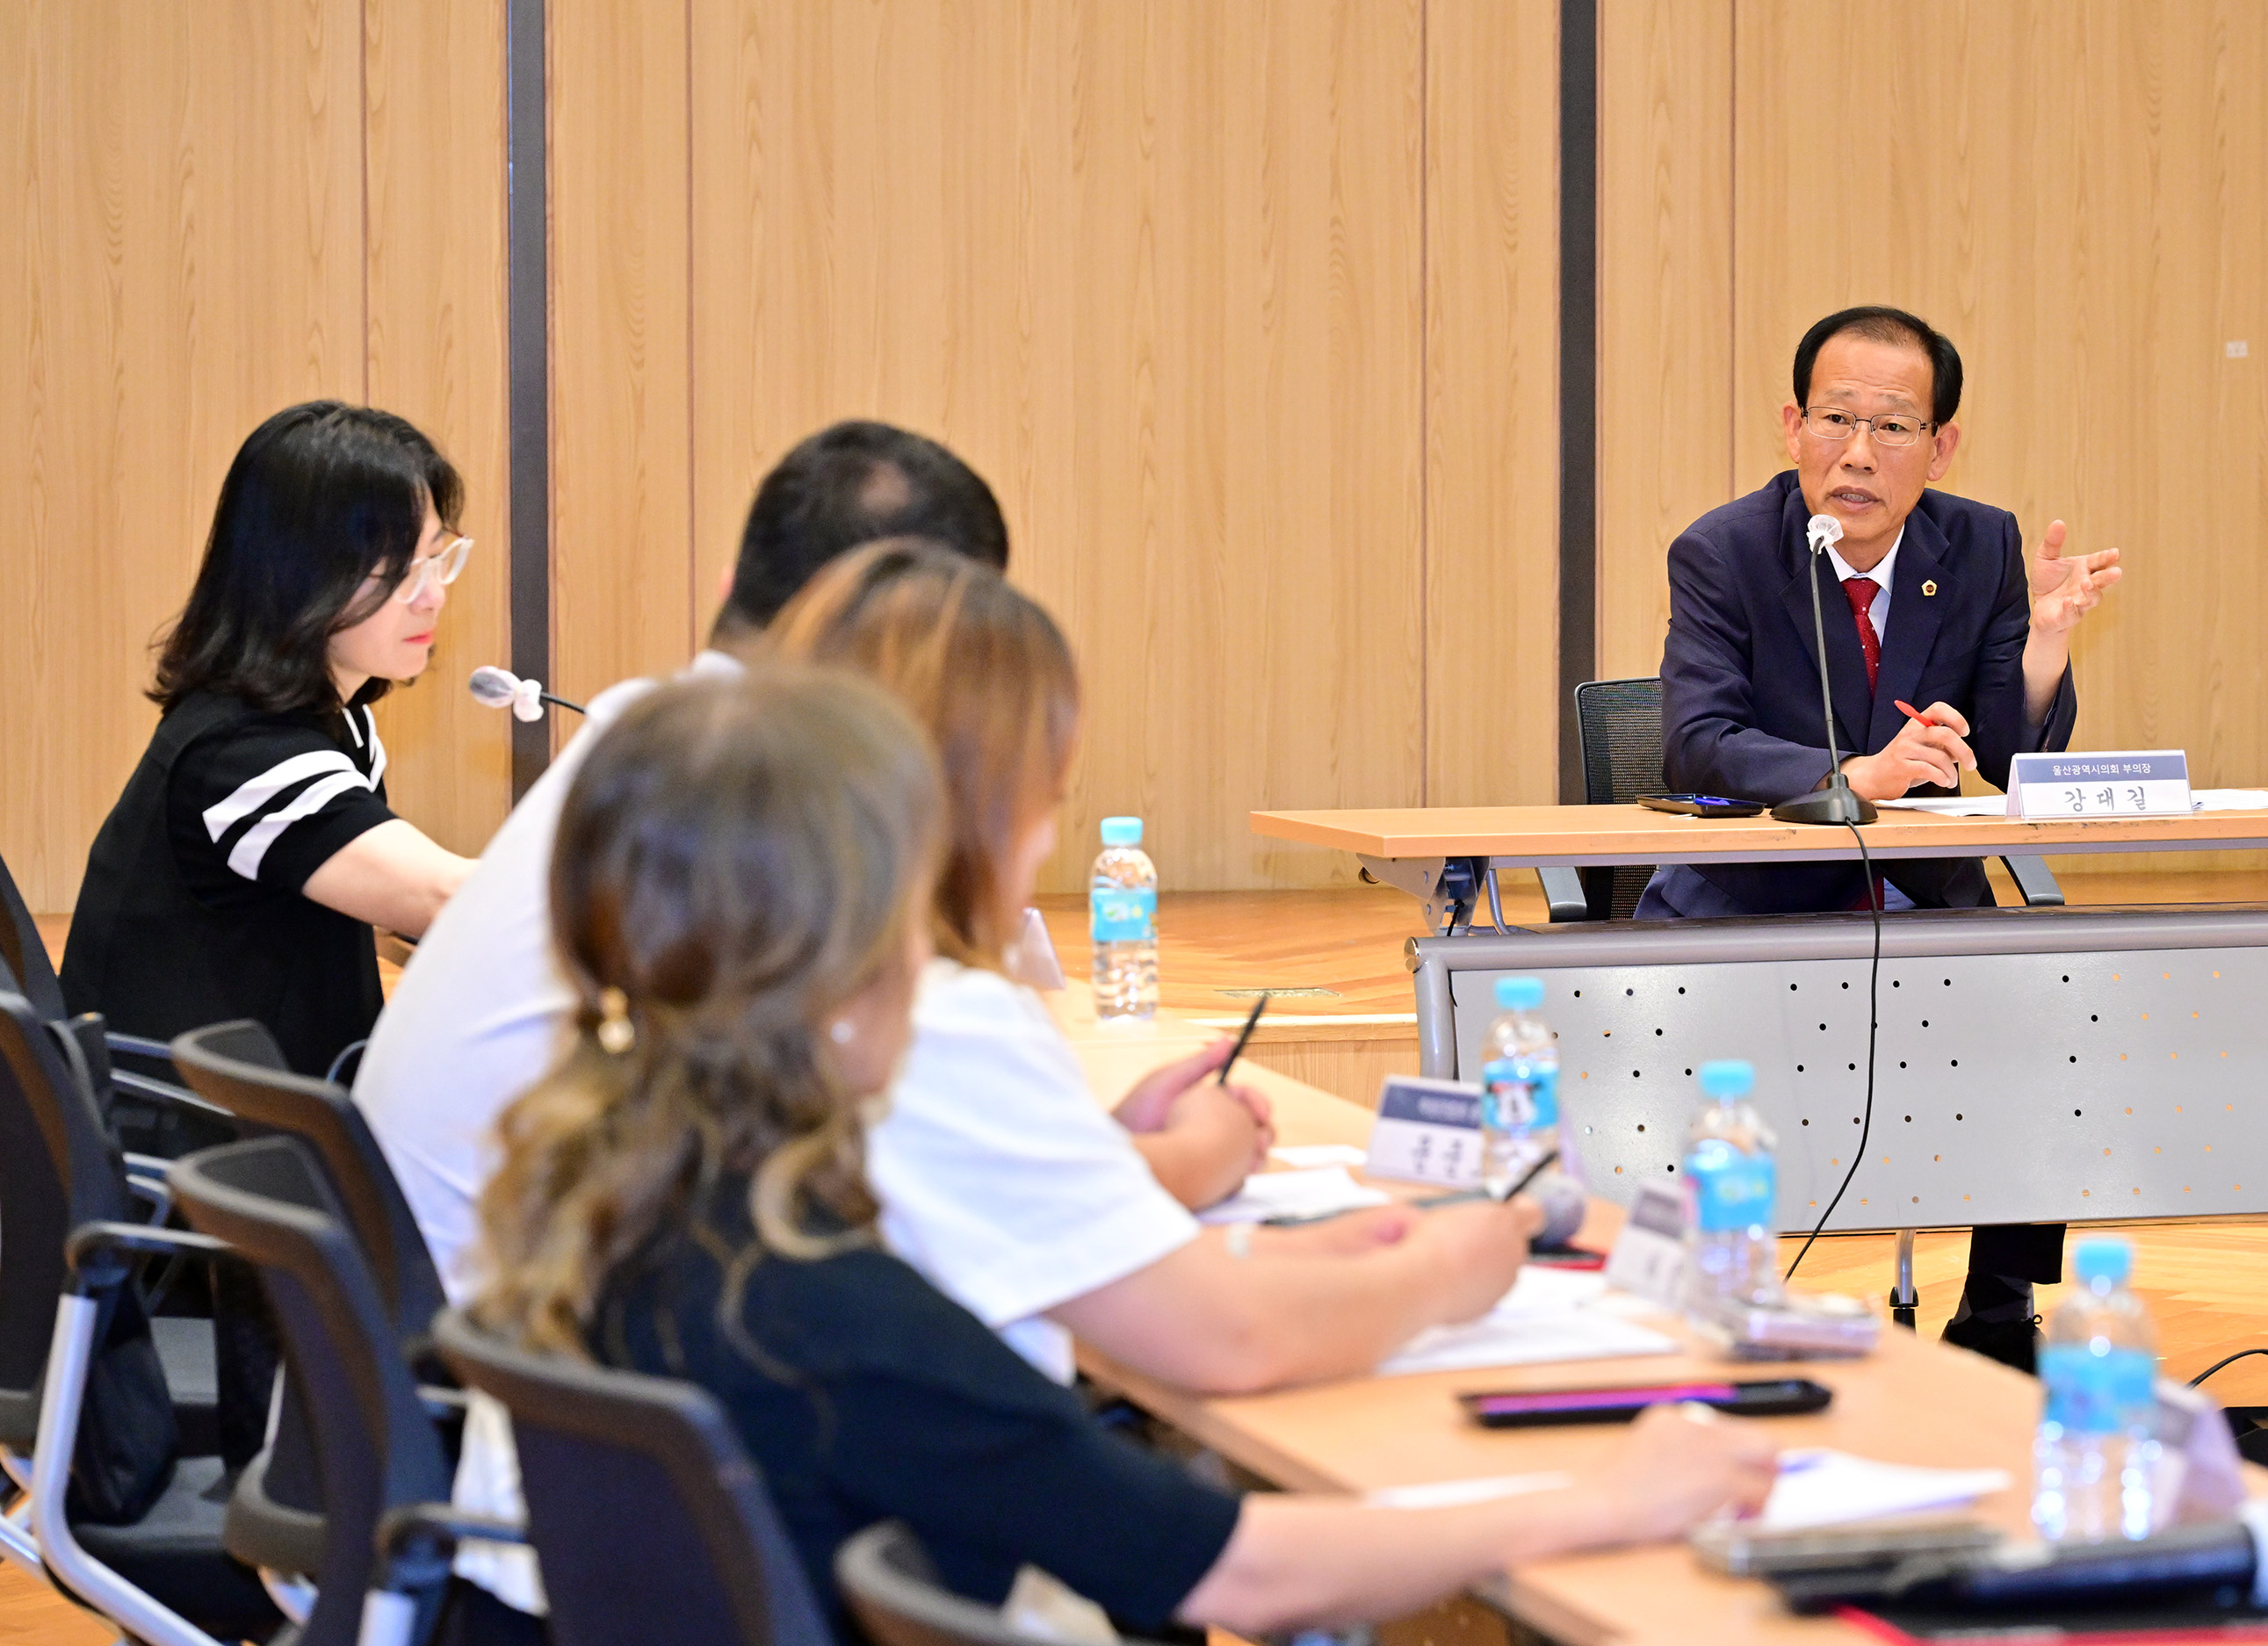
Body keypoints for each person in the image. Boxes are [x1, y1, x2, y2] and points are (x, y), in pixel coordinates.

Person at [471, 668, 1780, 1639]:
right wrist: (1602, 1494)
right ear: (845, 958)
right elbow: (1244, 1570)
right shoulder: (827, 1302)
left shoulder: (616, 1190)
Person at [769, 542, 1536, 1389]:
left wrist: (1098, 1149)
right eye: (1047, 801)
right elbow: (1236, 1340)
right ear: (975, 808)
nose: (1049, 841)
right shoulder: (939, 1019)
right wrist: (1443, 1274)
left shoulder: (774, 992)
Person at [357, 420, 1039, 1286]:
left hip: (463, 1325)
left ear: (730, 588)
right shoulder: (747, 796)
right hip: (528, 1338)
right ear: (910, 652)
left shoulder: (648, 738)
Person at [1638, 307, 2124, 1370]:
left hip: (1918, 894)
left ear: (1941, 445)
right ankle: (1710, 1286)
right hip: (1755, 902)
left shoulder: (1982, 542)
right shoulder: (1724, 552)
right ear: (1791, 426)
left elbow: (2004, 744)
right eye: (1835, 419)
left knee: (2034, 1000)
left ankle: (1999, 1307)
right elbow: (1696, 743)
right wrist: (1848, 777)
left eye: (1893, 426)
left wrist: (2040, 649)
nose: (1858, 453)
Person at [62, 401, 479, 1081]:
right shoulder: (245, 755)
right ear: (296, 576)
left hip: (259, 1119)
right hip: (201, 1152)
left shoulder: (329, 721)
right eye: (397, 570)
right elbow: (444, 898)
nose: (431, 596)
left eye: (437, 560)